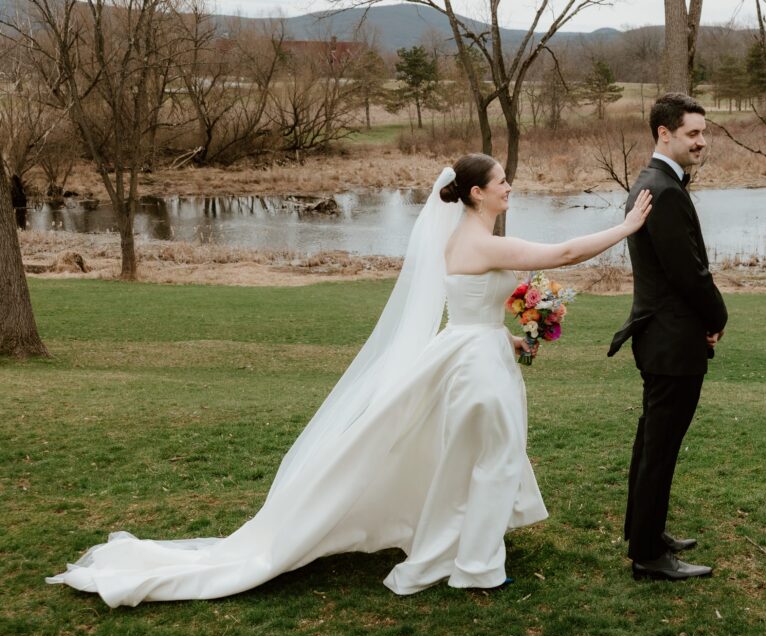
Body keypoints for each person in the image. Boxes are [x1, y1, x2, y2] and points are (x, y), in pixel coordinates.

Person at [46, 153, 652, 606]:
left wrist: (514, 334)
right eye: (502, 183)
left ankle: (468, 549)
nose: (510, 187)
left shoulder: (476, 239)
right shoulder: (478, 242)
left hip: (478, 351)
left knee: (482, 455)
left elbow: (474, 307)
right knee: (492, 458)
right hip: (475, 365)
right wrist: (625, 230)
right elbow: (566, 253)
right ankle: (474, 564)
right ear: (477, 194)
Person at [608, 93, 728, 582]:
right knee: (659, 445)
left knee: (653, 441)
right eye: (692, 133)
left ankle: (648, 534)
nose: (702, 141)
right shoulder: (664, 189)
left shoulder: (653, 183)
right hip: (672, 341)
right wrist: (717, 316)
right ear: (664, 133)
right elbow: (689, 274)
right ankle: (648, 556)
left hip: (663, 337)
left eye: (704, 132)